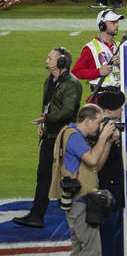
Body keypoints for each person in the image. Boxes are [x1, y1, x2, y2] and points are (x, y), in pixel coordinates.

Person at [52, 104, 119, 256]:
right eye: (99, 122)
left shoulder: (70, 134)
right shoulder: (73, 136)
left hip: (79, 201)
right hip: (81, 202)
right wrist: (103, 138)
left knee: (80, 252)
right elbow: (91, 158)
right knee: (91, 252)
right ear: (87, 120)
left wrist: (107, 141)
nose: (100, 126)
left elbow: (95, 165)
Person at [14, 48, 82, 229]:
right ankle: (37, 215)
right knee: (44, 176)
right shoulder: (49, 81)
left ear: (61, 62)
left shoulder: (72, 84)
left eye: (50, 58)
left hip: (63, 137)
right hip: (50, 135)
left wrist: (47, 119)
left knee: (66, 176)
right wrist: (43, 124)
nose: (46, 60)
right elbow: (47, 105)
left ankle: (74, 212)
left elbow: (68, 111)